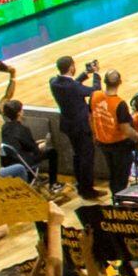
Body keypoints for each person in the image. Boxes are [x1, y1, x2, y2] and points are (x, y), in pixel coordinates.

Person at [49, 56, 97, 199]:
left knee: (77, 155)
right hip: (81, 126)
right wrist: (96, 74)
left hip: (68, 125)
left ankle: (80, 184)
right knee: (86, 158)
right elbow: (94, 90)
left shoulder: (54, 82)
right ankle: (87, 190)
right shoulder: (73, 87)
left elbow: (72, 85)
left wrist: (84, 74)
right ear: (71, 67)